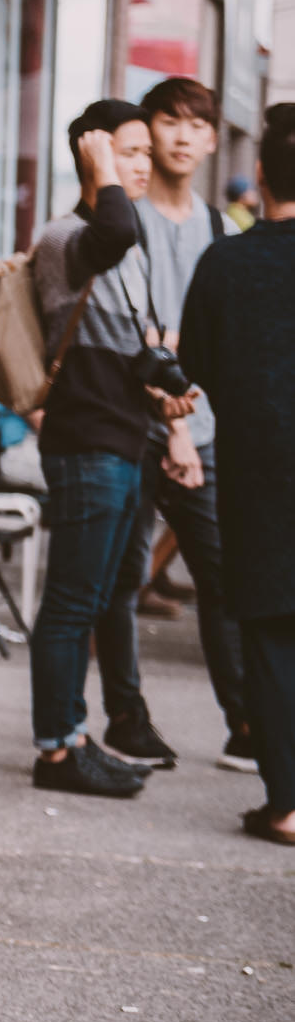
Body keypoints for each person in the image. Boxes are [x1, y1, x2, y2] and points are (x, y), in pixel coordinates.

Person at [26, 100, 196, 798]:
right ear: (92, 155)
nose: (139, 167)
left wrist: (167, 386)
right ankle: (57, 751)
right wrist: (102, 171)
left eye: (141, 158)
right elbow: (119, 222)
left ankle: (74, 735)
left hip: (124, 442)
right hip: (86, 444)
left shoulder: (112, 247)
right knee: (71, 602)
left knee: (96, 597)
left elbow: (132, 344)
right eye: (127, 152)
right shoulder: (69, 236)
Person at [91, 77, 249, 773]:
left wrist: (182, 358)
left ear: (213, 138)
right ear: (148, 131)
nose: (182, 135)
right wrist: (173, 388)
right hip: (137, 423)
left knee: (223, 578)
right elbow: (137, 330)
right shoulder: (125, 218)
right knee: (120, 578)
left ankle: (245, 722)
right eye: (169, 121)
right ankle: (127, 715)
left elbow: (215, 338)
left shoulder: (222, 229)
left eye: (196, 124)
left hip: (204, 430)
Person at [180, 102, 295, 846]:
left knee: (272, 631)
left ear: (258, 177)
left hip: (261, 469)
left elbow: (196, 365)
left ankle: (286, 805)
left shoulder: (227, 260)